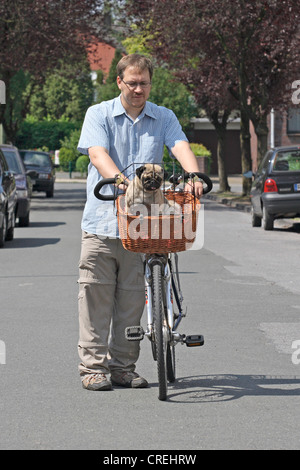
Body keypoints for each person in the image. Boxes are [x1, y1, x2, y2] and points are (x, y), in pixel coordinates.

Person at [77, 54, 203, 391]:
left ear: (150, 83)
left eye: (143, 83)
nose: (137, 89)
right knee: (96, 297)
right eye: (131, 82)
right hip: (102, 221)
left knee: (134, 297)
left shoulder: (163, 117)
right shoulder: (98, 114)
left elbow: (180, 145)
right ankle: (92, 368)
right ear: (119, 81)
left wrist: (193, 176)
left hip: (144, 224)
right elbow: (97, 153)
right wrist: (121, 181)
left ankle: (123, 367)